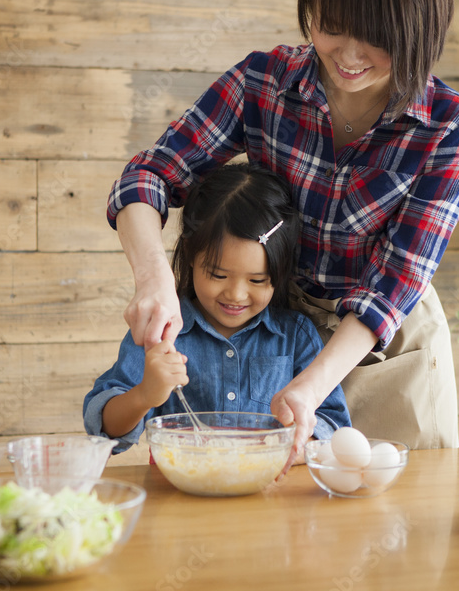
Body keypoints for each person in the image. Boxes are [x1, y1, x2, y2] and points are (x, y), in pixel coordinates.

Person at [107, 0, 459, 467]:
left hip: (383, 342)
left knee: (399, 510)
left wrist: (314, 385)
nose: (349, 56)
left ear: (421, 33)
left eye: (376, 39)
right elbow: (148, 176)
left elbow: (395, 281)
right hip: (279, 330)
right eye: (331, 28)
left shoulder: (450, 125)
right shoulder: (264, 82)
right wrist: (155, 279)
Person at [84, 163, 351, 453]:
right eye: (218, 275)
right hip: (178, 492)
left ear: (281, 271)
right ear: (188, 254)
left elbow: (331, 424)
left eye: (257, 280)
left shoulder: (295, 335)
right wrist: (145, 395)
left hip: (272, 490)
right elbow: (104, 431)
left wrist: (294, 442)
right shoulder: (162, 330)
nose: (236, 295)